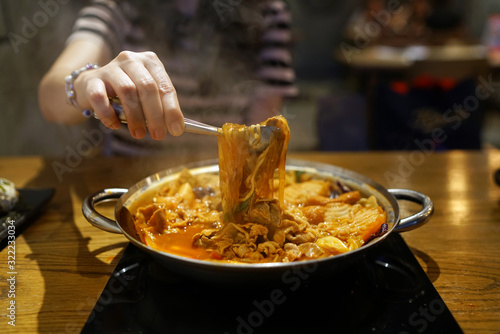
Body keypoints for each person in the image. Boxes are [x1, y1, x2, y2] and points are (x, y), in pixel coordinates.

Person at [39, 0, 297, 155]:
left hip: (217, 177)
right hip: (126, 182)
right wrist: (86, 83)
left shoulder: (266, 10)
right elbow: (51, 98)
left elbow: (261, 132)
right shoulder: (120, 6)